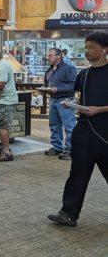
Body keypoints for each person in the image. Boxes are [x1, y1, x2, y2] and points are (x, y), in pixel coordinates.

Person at [48, 31, 108, 227]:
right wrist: (72, 103)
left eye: (92, 47)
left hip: (104, 133)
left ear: (104, 49)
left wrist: (99, 109)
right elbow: (82, 98)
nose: (87, 51)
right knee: (77, 173)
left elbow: (97, 104)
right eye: (86, 47)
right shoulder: (84, 73)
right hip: (83, 132)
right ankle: (68, 214)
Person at [43, 48, 77, 160]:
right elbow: (47, 84)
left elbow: (73, 86)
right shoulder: (49, 70)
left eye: (51, 55)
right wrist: (45, 89)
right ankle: (57, 147)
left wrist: (57, 89)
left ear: (59, 56)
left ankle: (70, 150)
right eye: (48, 55)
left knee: (69, 126)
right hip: (53, 99)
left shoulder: (69, 68)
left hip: (65, 100)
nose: (48, 57)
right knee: (54, 125)